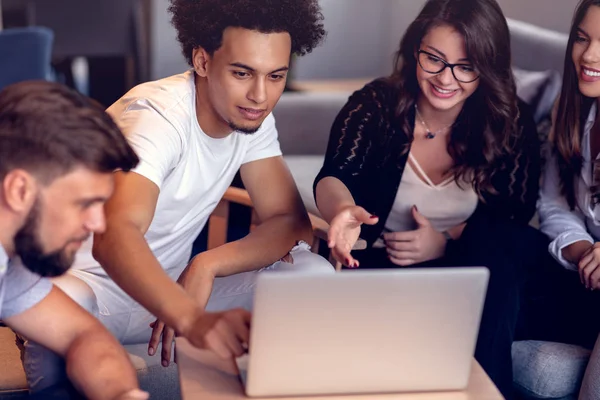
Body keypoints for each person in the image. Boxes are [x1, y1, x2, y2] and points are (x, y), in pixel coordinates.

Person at [22, 0, 333, 391]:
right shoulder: (156, 115)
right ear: (202, 61)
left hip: (170, 295)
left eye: (276, 76)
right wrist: (188, 315)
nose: (260, 95)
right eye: (242, 73)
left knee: (311, 275)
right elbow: (115, 234)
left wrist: (208, 264)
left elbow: (290, 223)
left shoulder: (250, 116)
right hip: (93, 295)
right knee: (61, 300)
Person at [313, 0, 541, 397]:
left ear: (487, 68)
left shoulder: (510, 121)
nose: (445, 78)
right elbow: (336, 175)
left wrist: (448, 238)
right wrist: (342, 210)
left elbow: (514, 218)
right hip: (377, 269)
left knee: (497, 261)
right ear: (414, 48)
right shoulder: (375, 105)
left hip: (465, 276)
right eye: (434, 59)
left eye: (466, 66)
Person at [0, 81, 148, 399]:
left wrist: (119, 393)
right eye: (84, 204)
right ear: (19, 191)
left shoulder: (10, 264)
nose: (97, 223)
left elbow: (82, 334)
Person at [535, 0, 600, 397]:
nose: (589, 55)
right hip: (586, 283)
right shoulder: (572, 111)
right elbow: (554, 204)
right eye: (582, 38)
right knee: (499, 243)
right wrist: (584, 254)